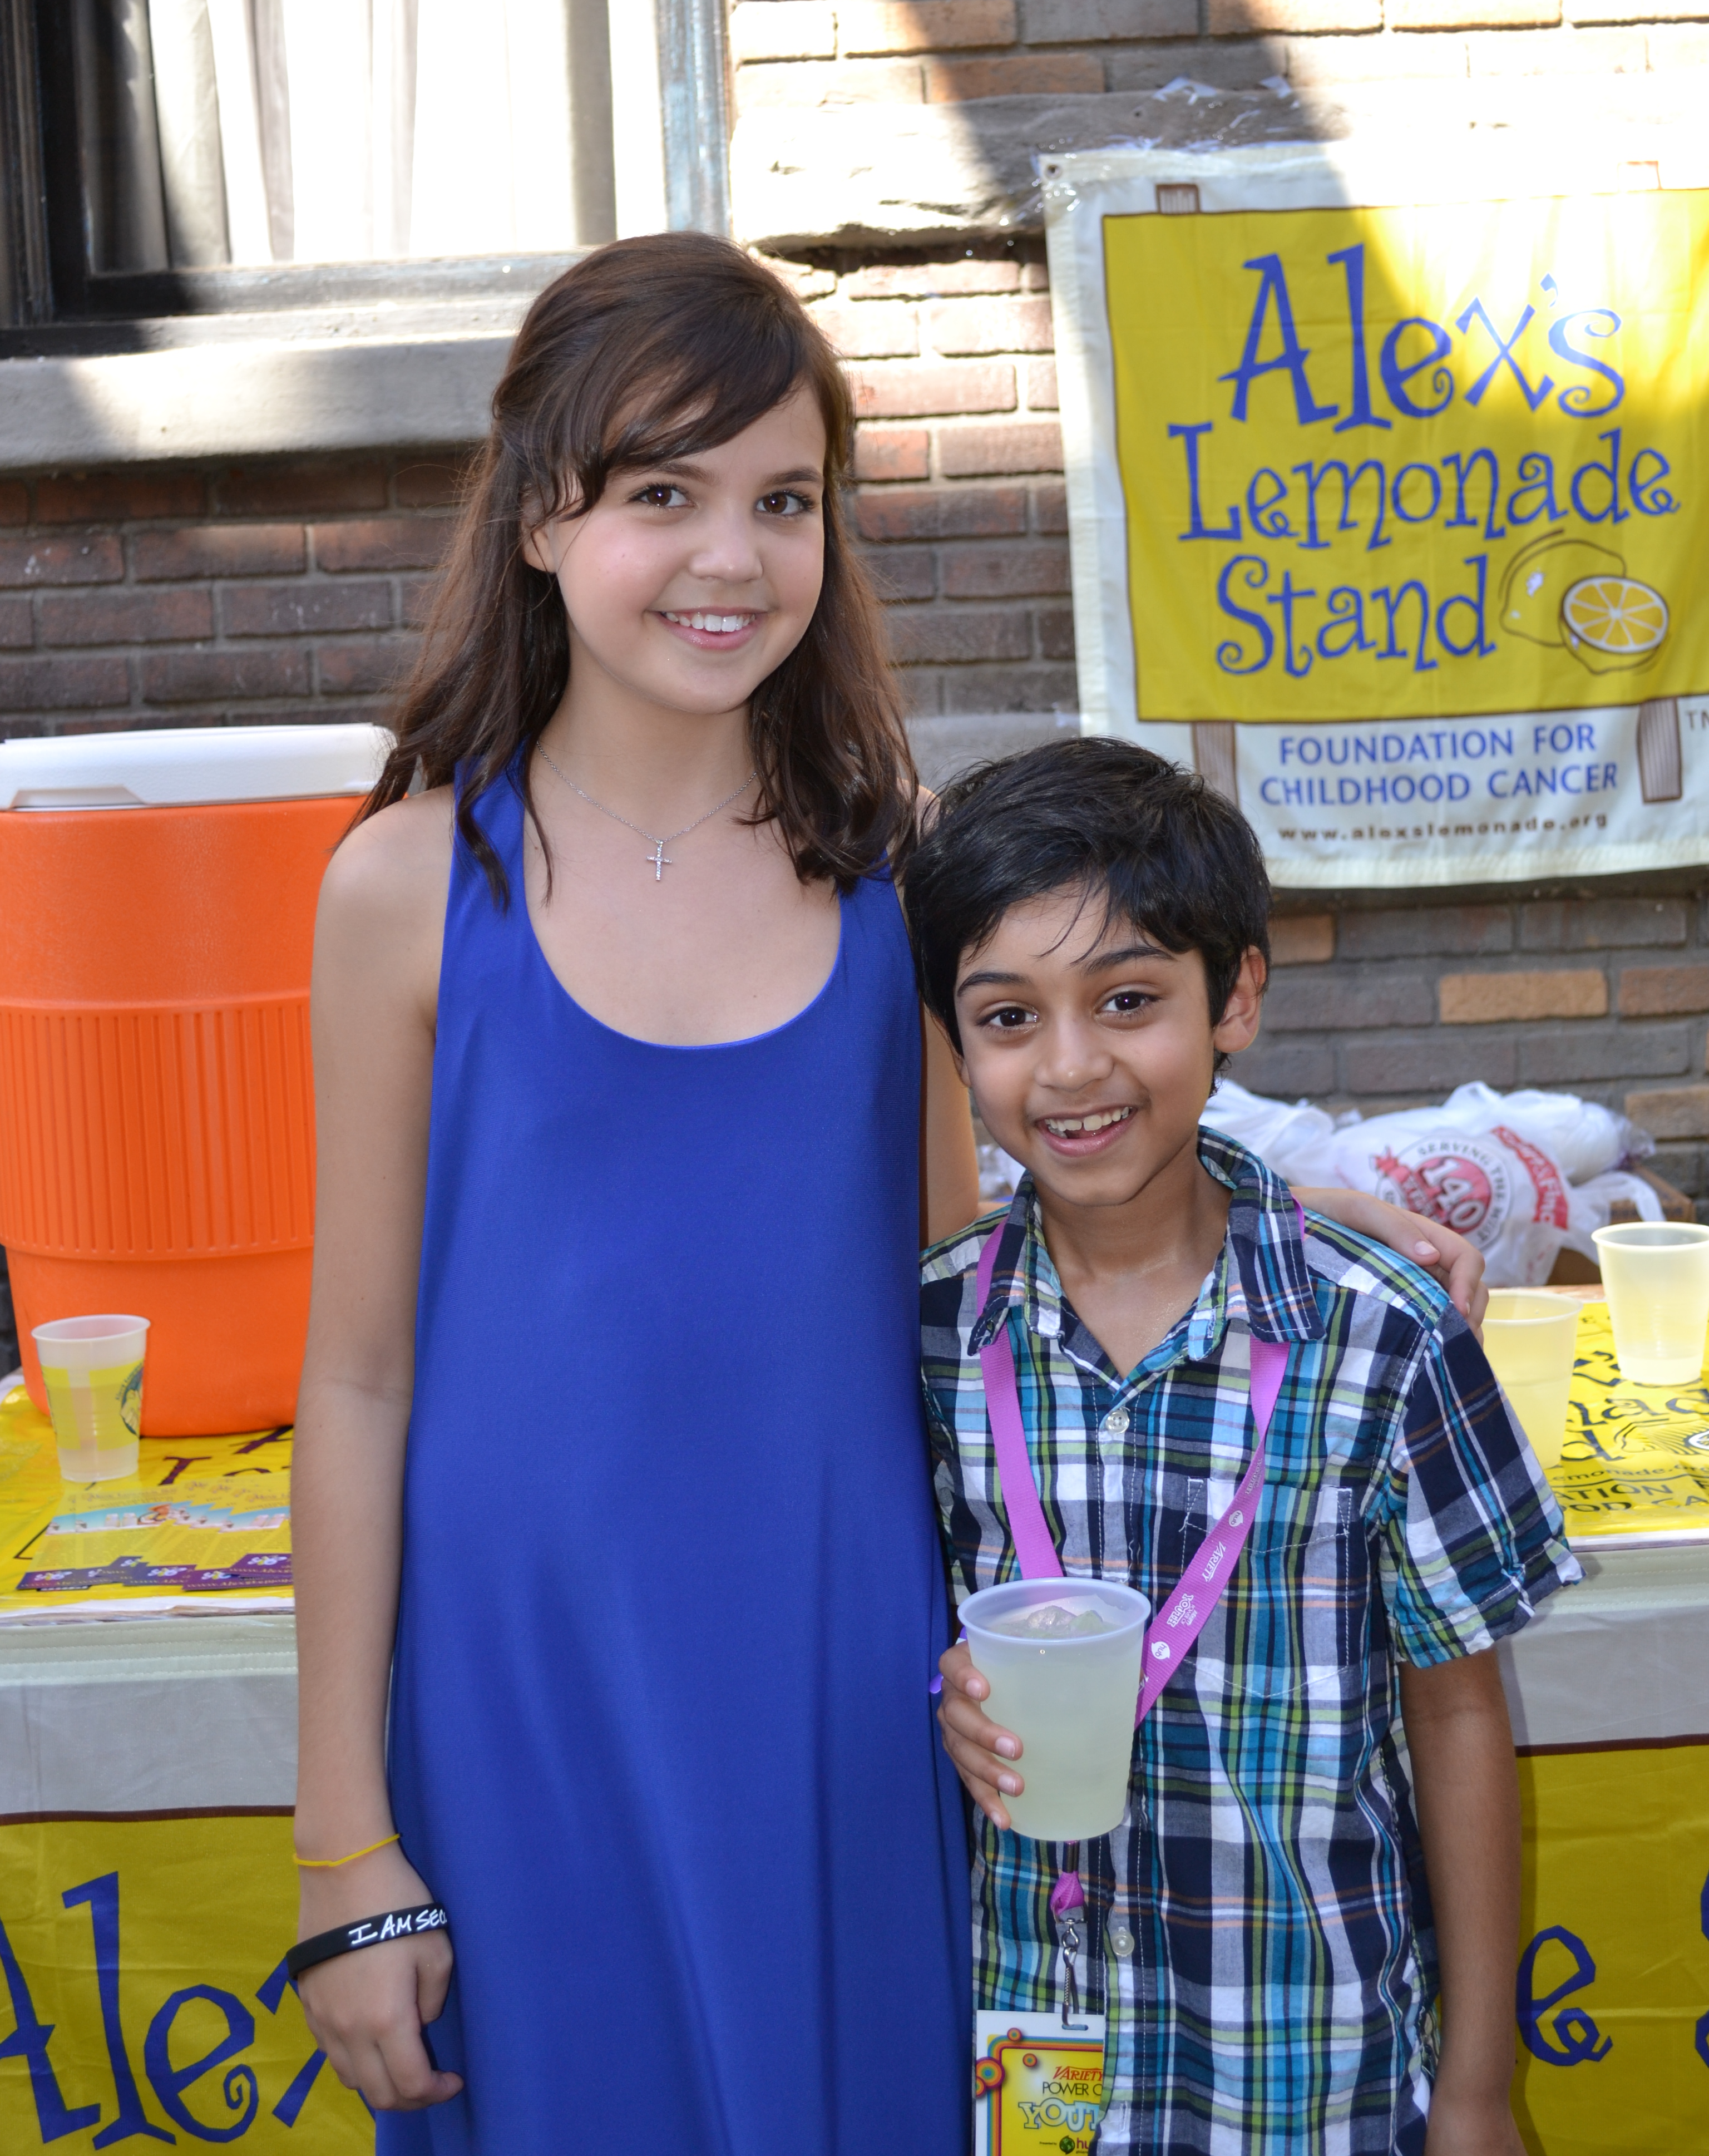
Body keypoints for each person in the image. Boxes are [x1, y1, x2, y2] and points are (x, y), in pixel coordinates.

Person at [290, 233, 1498, 2152]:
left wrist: (1326, 1205)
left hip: (852, 1693)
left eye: (785, 498)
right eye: (660, 491)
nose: (730, 554)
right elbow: (354, 1376)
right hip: (519, 1701)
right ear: (537, 514)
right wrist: (345, 1834)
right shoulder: (410, 892)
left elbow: (1019, 1229)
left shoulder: (891, 885)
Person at [908, 738, 1578, 2156]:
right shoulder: (925, 1339)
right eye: (1009, 1017)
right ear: (953, 1042)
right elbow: (886, 1631)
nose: (1073, 1065)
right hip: (1037, 2048)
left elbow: (1460, 1716)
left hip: (1314, 2060)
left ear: (1240, 999)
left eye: (1131, 999)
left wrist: (1473, 2089)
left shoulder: (1384, 1337)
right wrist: (943, 1691)